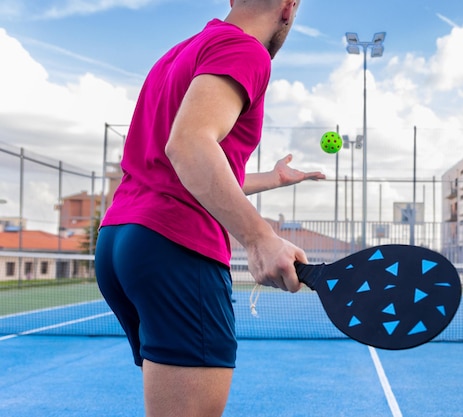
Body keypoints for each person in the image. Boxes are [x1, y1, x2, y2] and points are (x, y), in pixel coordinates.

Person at [95, 0, 324, 416]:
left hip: (121, 240)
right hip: (175, 246)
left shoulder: (181, 52)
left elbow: (183, 164)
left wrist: (272, 179)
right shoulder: (244, 50)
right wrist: (259, 239)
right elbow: (188, 145)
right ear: (289, 8)